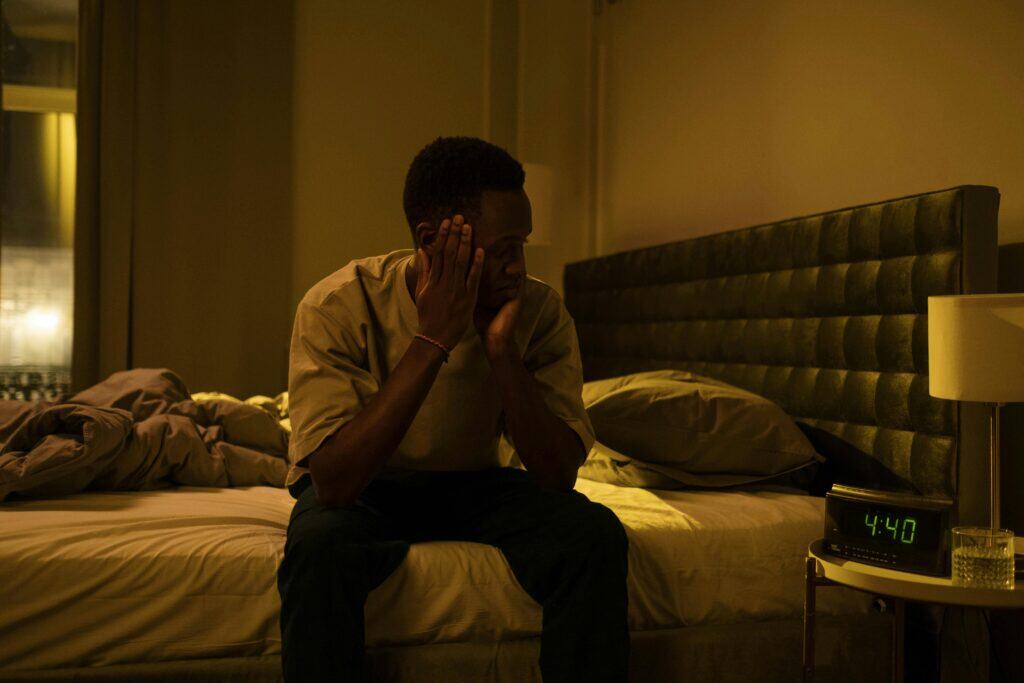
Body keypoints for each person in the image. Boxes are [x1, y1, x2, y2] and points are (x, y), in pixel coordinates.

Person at [276, 136, 629, 682]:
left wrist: (502, 352)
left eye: (524, 245)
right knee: (320, 546)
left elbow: (557, 474)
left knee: (592, 533)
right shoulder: (337, 305)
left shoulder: (538, 311)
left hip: (473, 483)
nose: (519, 267)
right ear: (433, 240)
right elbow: (335, 483)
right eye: (505, 247)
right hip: (368, 487)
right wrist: (433, 339)